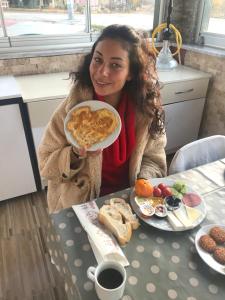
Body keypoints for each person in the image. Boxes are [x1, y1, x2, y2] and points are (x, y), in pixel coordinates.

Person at [38, 24, 167, 213]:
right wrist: (74, 154)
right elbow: (45, 162)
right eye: (97, 60)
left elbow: (154, 158)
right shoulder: (73, 111)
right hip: (82, 204)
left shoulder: (146, 109)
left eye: (115, 65)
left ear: (131, 72)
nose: (102, 72)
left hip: (130, 200)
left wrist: (143, 182)